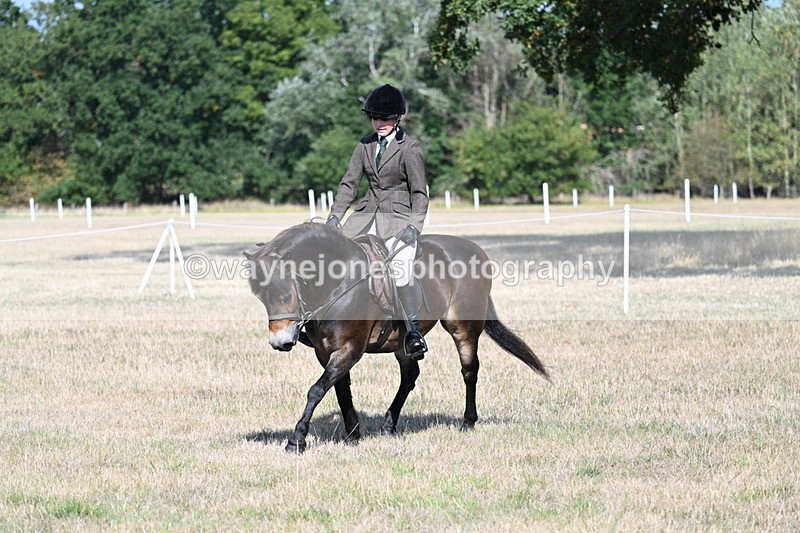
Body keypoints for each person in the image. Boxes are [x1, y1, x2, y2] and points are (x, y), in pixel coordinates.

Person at [326, 84, 429, 360]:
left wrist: (414, 227)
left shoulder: (410, 149)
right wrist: (335, 216)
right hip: (364, 217)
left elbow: (420, 193)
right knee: (335, 259)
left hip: (398, 220)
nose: (380, 123)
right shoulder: (364, 145)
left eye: (385, 118)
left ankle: (413, 333)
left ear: (397, 119)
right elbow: (348, 185)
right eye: (375, 118)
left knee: (401, 267)